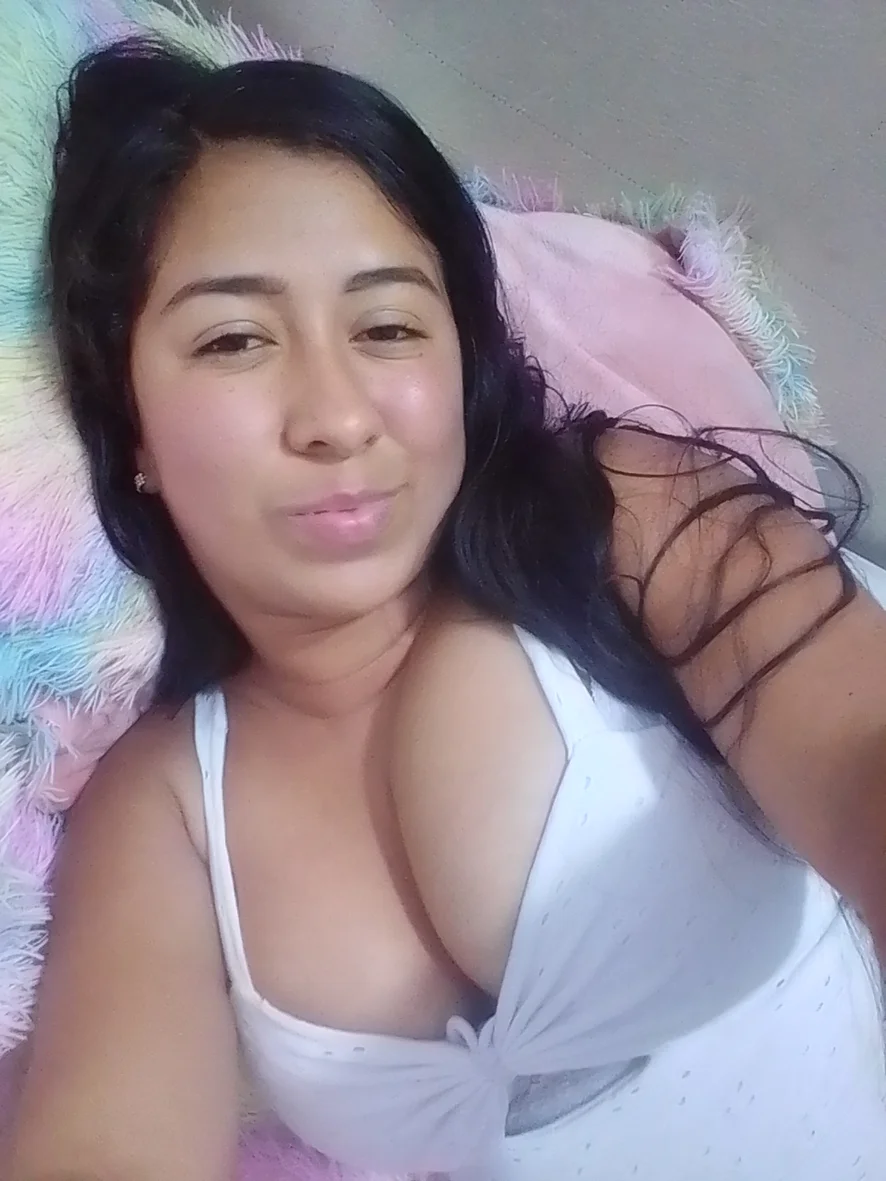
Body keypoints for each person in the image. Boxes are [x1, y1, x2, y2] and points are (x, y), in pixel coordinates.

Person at [8, 36, 886, 1181]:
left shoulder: (624, 513)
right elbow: (100, 1139)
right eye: (234, 340)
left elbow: (859, 748)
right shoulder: (162, 802)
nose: (336, 417)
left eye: (386, 327)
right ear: (132, 433)